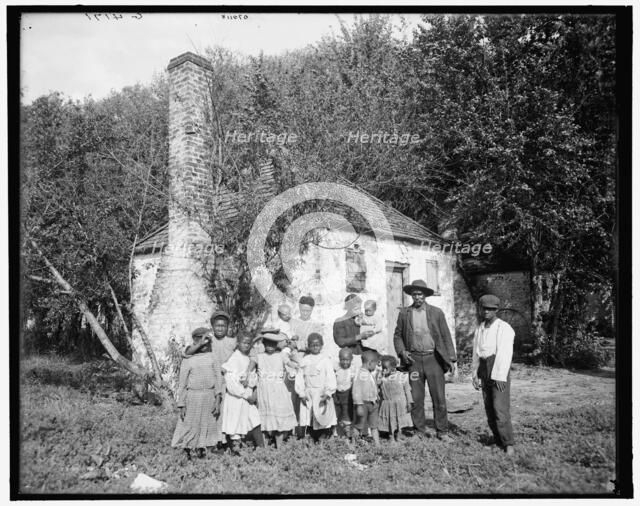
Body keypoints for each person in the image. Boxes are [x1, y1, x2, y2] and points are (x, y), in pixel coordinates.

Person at [393, 279, 457, 442]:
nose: (417, 297)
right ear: (411, 295)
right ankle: (419, 431)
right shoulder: (404, 313)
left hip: (433, 359)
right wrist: (402, 351)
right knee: (416, 397)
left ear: (425, 295)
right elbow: (397, 335)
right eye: (414, 294)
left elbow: (445, 335)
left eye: (420, 294)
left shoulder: (436, 312)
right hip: (414, 361)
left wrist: (451, 358)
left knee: (439, 397)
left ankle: (442, 431)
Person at [471, 294, 516, 456]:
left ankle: (508, 442)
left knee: (500, 408)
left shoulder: (504, 328)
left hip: (497, 368)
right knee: (489, 406)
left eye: (491, 310)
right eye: (484, 309)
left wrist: (499, 376)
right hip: (484, 368)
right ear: (480, 309)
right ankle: (497, 440)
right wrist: (475, 374)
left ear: (497, 310)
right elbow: (476, 352)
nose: (487, 312)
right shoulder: (480, 328)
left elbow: (505, 353)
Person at [171, 327, 224, 459]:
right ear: (195, 342)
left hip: (209, 395)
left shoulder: (213, 357)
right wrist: (182, 404)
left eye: (208, 342)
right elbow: (182, 383)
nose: (205, 345)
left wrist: (217, 400)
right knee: (190, 424)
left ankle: (208, 451)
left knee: (210, 423)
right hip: (193, 397)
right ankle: (189, 452)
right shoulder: (188, 359)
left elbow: (218, 379)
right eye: (201, 341)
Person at [221, 334, 265, 453]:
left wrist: (251, 385)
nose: (246, 345)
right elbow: (231, 382)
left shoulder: (248, 359)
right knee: (235, 424)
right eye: (243, 343)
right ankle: (236, 451)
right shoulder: (234, 358)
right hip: (237, 398)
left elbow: (253, 377)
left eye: (248, 343)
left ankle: (262, 448)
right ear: (238, 343)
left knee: (255, 420)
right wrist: (245, 395)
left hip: (248, 397)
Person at [255, 331, 298, 448]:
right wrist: (257, 338)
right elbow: (249, 352)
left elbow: (292, 363)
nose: (270, 347)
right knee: (265, 419)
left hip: (278, 390)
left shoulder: (280, 355)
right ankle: (265, 446)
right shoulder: (259, 356)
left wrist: (291, 347)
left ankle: (279, 445)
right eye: (268, 343)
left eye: (273, 344)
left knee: (279, 416)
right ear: (263, 343)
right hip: (264, 390)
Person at [295, 333, 337, 442]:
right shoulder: (305, 360)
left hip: (321, 393)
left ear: (322, 345)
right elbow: (300, 378)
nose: (315, 347)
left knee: (322, 417)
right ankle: (310, 440)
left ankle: (323, 441)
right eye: (312, 345)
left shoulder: (325, 360)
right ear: (308, 346)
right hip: (309, 393)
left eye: (317, 345)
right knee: (309, 417)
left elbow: (330, 377)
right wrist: (301, 394)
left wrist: (328, 393)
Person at [333, 294, 376, 370]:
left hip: (364, 356)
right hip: (349, 358)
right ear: (348, 308)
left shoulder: (362, 319)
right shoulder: (340, 322)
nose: (358, 311)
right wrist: (359, 337)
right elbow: (340, 341)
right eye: (355, 309)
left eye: (359, 308)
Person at [378, 355, 413, 442]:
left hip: (399, 404)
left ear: (393, 368)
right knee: (390, 421)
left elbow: (407, 390)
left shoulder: (402, 376)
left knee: (398, 422)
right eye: (383, 368)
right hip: (388, 404)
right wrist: (381, 377)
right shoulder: (382, 378)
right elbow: (377, 386)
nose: (384, 370)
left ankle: (398, 436)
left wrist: (409, 402)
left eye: (386, 368)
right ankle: (391, 437)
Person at [352, 349, 381, 446]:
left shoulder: (369, 373)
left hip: (372, 404)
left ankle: (378, 445)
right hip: (363, 404)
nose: (375, 367)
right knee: (359, 425)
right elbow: (356, 391)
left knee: (374, 425)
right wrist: (359, 405)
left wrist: (376, 395)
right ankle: (353, 444)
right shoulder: (359, 374)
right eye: (375, 364)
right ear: (370, 363)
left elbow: (372, 386)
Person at [333, 347, 358, 437]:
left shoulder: (353, 370)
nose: (345, 362)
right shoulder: (337, 368)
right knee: (336, 413)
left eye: (347, 360)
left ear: (351, 359)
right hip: (337, 393)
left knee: (347, 414)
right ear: (339, 359)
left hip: (348, 395)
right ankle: (335, 433)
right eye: (342, 360)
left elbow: (354, 382)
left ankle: (348, 435)